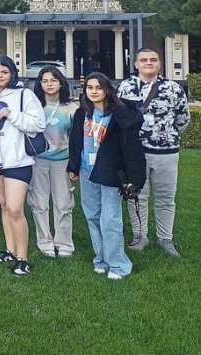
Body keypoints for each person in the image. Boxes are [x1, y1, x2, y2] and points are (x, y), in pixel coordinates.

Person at [68, 73, 146, 279]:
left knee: (110, 219)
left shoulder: (120, 114)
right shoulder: (81, 114)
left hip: (110, 171)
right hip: (87, 171)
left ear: (107, 90)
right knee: (93, 215)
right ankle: (100, 259)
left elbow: (132, 150)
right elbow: (75, 142)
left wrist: (134, 179)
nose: (93, 91)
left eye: (98, 87)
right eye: (89, 87)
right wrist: (73, 166)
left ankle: (118, 264)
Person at [117, 47, 190, 257]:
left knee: (166, 197)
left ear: (159, 63)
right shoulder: (125, 88)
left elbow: (182, 119)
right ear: (136, 64)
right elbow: (120, 117)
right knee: (136, 196)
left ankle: (165, 238)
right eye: (144, 60)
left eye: (153, 59)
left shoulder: (173, 89)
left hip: (166, 152)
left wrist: (165, 134)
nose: (148, 63)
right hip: (136, 152)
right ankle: (140, 236)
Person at [0, 55, 46, 276]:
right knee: (5, 206)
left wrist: (12, 114)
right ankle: (9, 249)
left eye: (4, 72)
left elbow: (38, 123)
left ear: (12, 73)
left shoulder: (24, 94)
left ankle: (22, 257)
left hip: (18, 161)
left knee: (16, 209)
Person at [30, 66, 78, 258]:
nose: (49, 84)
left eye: (53, 80)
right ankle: (44, 240)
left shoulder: (71, 108)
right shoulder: (33, 106)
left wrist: (74, 165)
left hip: (62, 161)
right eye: (45, 81)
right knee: (39, 202)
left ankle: (64, 242)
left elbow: (76, 140)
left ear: (60, 83)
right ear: (40, 84)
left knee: (63, 203)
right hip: (38, 161)